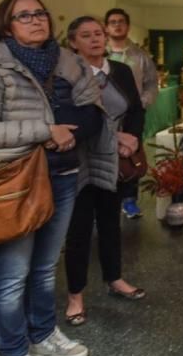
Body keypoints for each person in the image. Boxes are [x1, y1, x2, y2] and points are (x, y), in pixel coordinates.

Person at [0, 0, 102, 356]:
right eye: (25, 16)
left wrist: (64, 134)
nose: (37, 20)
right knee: (11, 276)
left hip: (63, 176)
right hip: (14, 183)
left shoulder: (68, 61)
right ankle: (13, 354)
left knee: (43, 270)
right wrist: (47, 131)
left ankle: (42, 336)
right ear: (7, 25)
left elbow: (92, 111)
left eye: (40, 13)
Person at [63, 16, 147, 328]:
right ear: (73, 43)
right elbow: (75, 118)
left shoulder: (121, 71)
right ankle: (75, 296)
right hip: (82, 158)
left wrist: (133, 138)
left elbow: (136, 109)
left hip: (114, 159)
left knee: (111, 222)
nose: (95, 39)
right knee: (80, 229)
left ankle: (115, 278)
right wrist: (115, 138)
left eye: (98, 33)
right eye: (86, 35)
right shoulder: (67, 76)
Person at [104, 8, 157, 219]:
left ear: (127, 26)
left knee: (131, 153)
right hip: (104, 114)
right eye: (112, 22)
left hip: (132, 115)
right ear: (106, 27)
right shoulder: (101, 53)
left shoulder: (139, 55)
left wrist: (141, 103)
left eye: (121, 22)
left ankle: (129, 200)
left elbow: (151, 83)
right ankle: (106, 198)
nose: (117, 25)